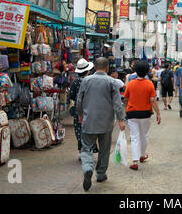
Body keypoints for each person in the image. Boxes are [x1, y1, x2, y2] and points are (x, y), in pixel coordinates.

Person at [76, 58, 126, 191]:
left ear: (94, 67)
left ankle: (87, 168)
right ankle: (101, 174)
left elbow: (79, 99)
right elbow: (117, 103)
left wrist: (80, 114)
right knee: (104, 149)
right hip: (106, 122)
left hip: (89, 120)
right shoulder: (111, 82)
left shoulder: (86, 80)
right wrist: (121, 119)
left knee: (86, 148)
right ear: (107, 68)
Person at [124, 61, 161, 170]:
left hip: (132, 113)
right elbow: (153, 100)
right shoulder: (149, 84)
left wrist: (127, 109)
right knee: (144, 135)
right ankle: (142, 155)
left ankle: (135, 161)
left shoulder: (130, 84)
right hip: (145, 113)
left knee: (134, 137)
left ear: (135, 71)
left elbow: (125, 99)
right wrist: (158, 113)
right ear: (146, 72)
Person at [69, 58, 95, 161]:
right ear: (88, 70)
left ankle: (81, 151)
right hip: (90, 109)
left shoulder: (75, 82)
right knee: (90, 130)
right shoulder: (91, 80)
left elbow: (71, 96)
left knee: (79, 130)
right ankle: (89, 150)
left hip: (78, 110)